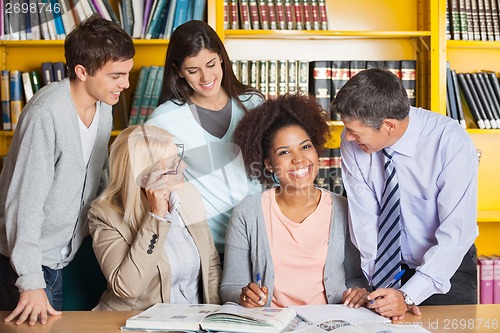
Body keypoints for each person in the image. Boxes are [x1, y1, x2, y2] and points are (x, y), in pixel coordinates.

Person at [0, 14, 135, 326]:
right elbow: (24, 202)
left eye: (126, 73)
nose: (125, 84)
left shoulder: (105, 107)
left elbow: (93, 176)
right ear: (82, 71)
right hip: (26, 265)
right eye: (116, 75)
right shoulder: (46, 115)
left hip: (63, 255)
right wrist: (31, 281)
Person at [331, 68, 478, 320]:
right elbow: (364, 220)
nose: (348, 137)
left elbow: (455, 233)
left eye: (355, 131)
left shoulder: (450, 142)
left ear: (388, 125)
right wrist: (382, 286)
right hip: (385, 268)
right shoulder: (353, 142)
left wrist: (409, 295)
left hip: (446, 269)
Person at [220, 94, 368, 308]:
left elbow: (356, 278)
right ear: (269, 164)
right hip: (272, 326)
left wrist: (357, 293)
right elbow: (231, 285)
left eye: (305, 147)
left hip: (329, 324)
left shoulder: (343, 209)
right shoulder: (248, 213)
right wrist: (244, 297)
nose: (299, 159)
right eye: (284, 152)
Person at [146, 20, 264, 258]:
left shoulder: (253, 104)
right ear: (178, 70)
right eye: (193, 70)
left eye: (211, 64)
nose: (206, 77)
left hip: (258, 240)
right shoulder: (164, 120)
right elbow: (152, 184)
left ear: (221, 57)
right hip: (204, 249)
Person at [88, 125, 221, 311]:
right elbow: (128, 289)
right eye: (172, 165)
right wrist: (156, 217)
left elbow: (211, 265)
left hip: (192, 322)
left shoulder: (189, 195)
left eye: (179, 159)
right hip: (134, 322)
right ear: (143, 178)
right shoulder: (105, 215)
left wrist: (215, 317)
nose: (183, 167)